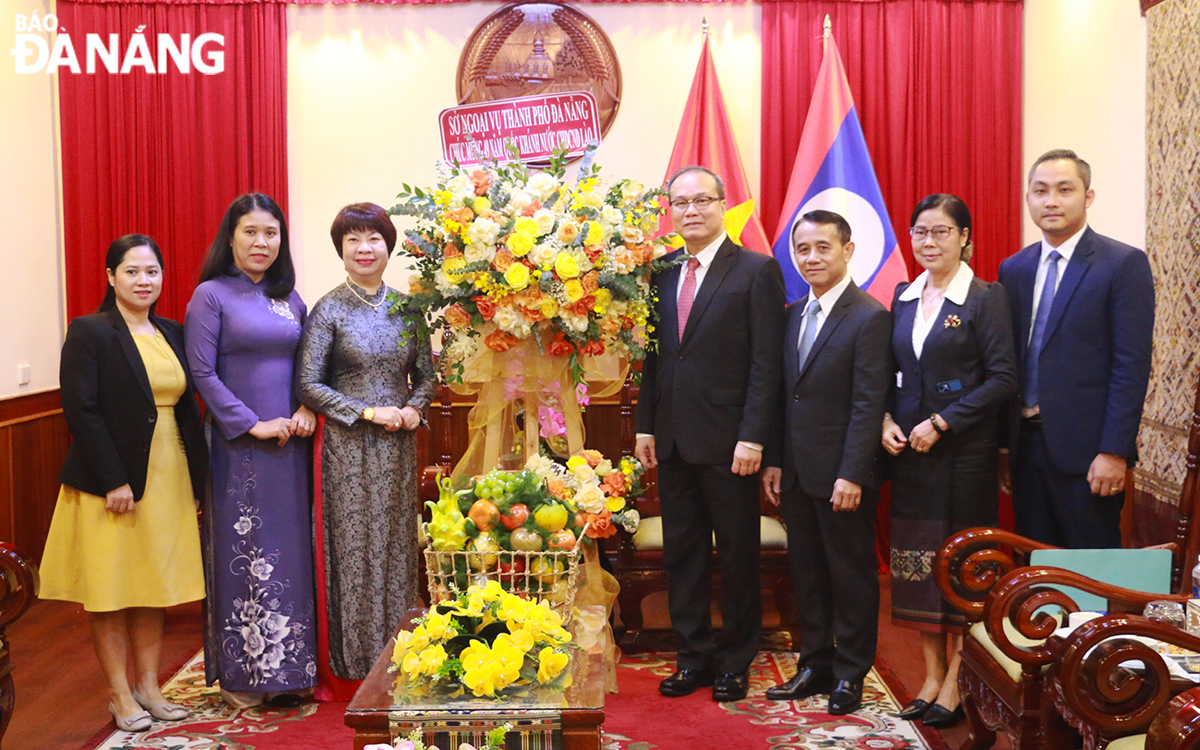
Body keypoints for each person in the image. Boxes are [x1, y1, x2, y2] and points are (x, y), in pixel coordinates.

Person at [40, 234, 206, 731]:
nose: (143, 281)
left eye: (152, 271)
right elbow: (81, 410)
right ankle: (119, 695)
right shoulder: (91, 331)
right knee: (112, 590)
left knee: (152, 585)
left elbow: (184, 411)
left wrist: (197, 481)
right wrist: (114, 479)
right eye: (131, 271)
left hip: (167, 474)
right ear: (111, 276)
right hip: (110, 481)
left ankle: (150, 688)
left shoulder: (172, 331)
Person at [634, 165, 786, 702]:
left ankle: (735, 660)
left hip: (731, 444)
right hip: (673, 440)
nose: (691, 210)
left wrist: (754, 437)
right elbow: (654, 358)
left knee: (739, 555)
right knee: (684, 555)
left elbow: (767, 365)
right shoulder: (662, 272)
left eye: (702, 200)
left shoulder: (755, 270)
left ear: (723, 204)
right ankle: (692, 656)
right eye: (681, 202)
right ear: (670, 211)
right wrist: (645, 426)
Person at [881, 195, 1017, 728]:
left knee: (960, 570)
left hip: (963, 456)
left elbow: (1003, 378)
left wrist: (943, 422)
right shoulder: (903, 296)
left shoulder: (985, 298)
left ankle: (961, 677)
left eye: (941, 232)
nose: (929, 243)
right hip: (910, 458)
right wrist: (885, 422)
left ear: (964, 237)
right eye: (919, 232)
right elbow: (890, 374)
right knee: (917, 569)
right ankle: (931, 676)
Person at [185, 193, 318, 707]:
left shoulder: (293, 299)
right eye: (251, 232)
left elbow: (310, 365)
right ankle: (247, 676)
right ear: (231, 238)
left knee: (292, 550)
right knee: (249, 554)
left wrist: (307, 408)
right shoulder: (210, 295)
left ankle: (293, 670)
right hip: (241, 447)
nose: (261, 243)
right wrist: (251, 424)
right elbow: (202, 373)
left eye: (271, 233)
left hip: (293, 445)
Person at [296, 202, 437, 683]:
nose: (363, 247)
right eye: (352, 239)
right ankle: (354, 660)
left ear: (388, 245)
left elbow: (427, 377)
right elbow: (309, 385)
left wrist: (415, 408)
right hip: (347, 446)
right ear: (340, 249)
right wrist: (369, 412)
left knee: (397, 544)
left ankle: (400, 652)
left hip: (398, 445)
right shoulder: (329, 308)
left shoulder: (408, 308)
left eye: (372, 238)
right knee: (354, 547)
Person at [762, 210, 890, 716]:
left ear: (847, 250)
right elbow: (781, 397)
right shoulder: (793, 313)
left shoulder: (869, 315)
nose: (811, 258)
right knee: (808, 573)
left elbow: (868, 402)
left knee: (851, 575)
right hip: (796, 471)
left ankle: (851, 671)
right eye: (803, 249)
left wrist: (853, 472)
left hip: (844, 475)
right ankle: (814, 662)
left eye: (823, 247)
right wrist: (774, 460)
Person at [997, 150, 1155, 548]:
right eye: (1040, 190)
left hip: (1090, 454)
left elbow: (1130, 365)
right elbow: (1008, 362)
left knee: (1091, 570)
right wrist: (1003, 447)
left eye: (1064, 190)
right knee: (1037, 569)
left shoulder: (1121, 264)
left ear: (1088, 196)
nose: (1051, 200)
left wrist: (1113, 452)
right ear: (1029, 199)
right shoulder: (1013, 269)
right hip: (1026, 448)